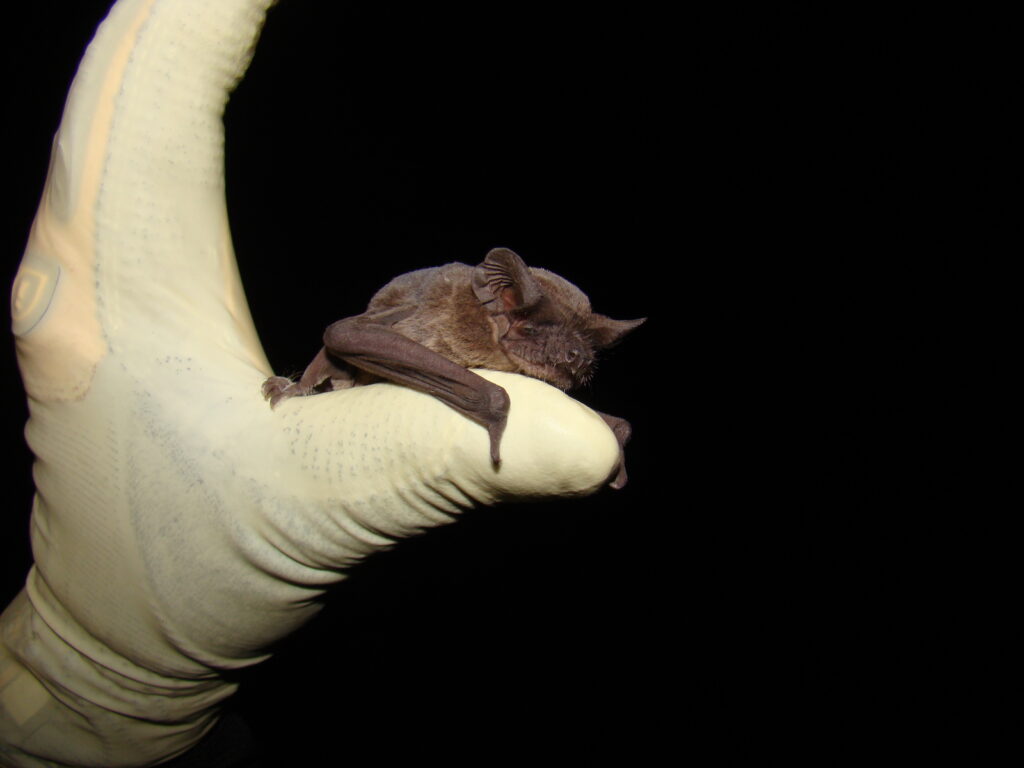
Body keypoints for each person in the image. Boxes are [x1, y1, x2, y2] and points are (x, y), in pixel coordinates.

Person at [0, 1, 622, 765]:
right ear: (504, 306)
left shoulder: (523, 344)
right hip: (368, 358)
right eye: (551, 352)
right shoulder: (456, 319)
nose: (567, 372)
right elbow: (348, 339)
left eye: (579, 365)